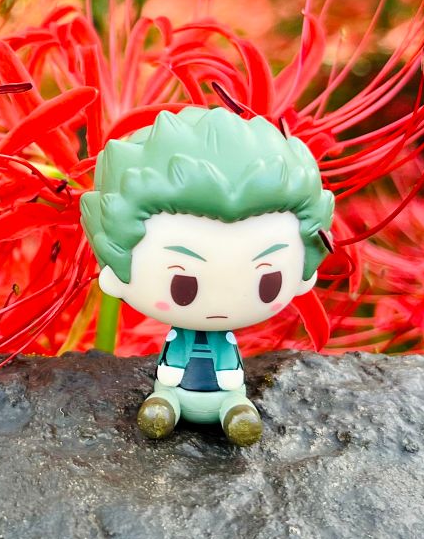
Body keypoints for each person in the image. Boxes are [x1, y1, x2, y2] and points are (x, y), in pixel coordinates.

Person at [80, 106, 334, 445]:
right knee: (165, 399)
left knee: (231, 401)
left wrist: (229, 384)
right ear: (115, 274)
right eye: (182, 286)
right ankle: (168, 404)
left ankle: (233, 410)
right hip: (177, 388)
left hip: (223, 391)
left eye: (269, 282)